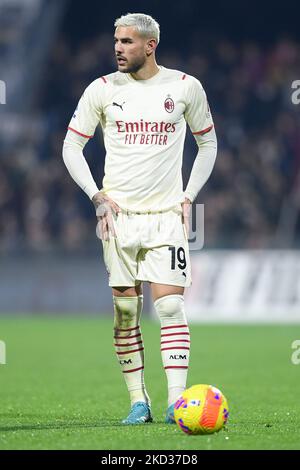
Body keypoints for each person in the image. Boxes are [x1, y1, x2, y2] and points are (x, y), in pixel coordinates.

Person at [62, 12, 217, 425]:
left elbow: (209, 144)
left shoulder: (185, 87)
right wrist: (96, 194)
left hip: (166, 215)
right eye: (116, 40)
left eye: (127, 42)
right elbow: (71, 148)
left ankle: (177, 403)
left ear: (150, 45)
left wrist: (188, 197)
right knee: (126, 313)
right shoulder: (101, 90)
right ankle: (138, 401)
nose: (118, 47)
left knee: (169, 307)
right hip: (118, 219)